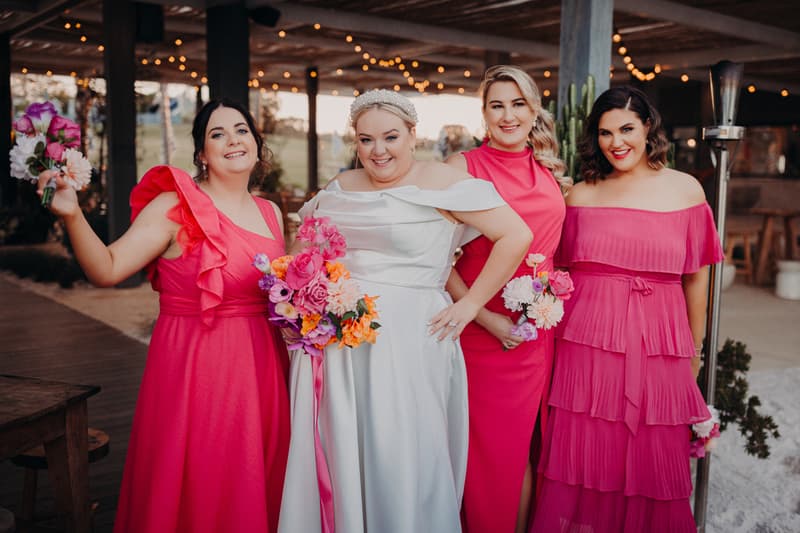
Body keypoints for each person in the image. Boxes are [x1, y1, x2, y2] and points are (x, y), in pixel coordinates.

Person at [278, 89, 533, 533]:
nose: (378, 151)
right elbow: (304, 252)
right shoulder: (339, 187)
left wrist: (471, 304)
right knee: (346, 448)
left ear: (413, 135)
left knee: (404, 447)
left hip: (413, 339)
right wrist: (299, 305)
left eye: (390, 137)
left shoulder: (444, 183)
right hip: (341, 346)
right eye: (365, 140)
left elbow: (516, 235)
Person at [37, 99, 291, 533]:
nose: (233, 139)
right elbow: (108, 268)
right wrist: (73, 213)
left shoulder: (271, 212)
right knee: (202, 477)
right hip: (199, 370)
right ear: (201, 155)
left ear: (257, 143)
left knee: (257, 475)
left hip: (264, 368)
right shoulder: (175, 207)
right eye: (217, 133)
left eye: (242, 130)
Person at [530, 86, 723, 533]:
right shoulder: (580, 195)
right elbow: (554, 271)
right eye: (605, 132)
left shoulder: (686, 190)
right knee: (584, 451)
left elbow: (697, 276)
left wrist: (693, 348)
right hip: (585, 343)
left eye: (627, 129)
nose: (616, 142)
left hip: (660, 343)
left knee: (654, 451)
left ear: (648, 127)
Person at [444, 65, 568, 533]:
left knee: (523, 448)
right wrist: (481, 316)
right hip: (480, 332)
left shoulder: (549, 169)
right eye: (497, 105)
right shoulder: (463, 167)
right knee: (484, 451)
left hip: (536, 333)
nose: (508, 114)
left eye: (518, 103)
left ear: (534, 109)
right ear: (484, 113)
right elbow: (437, 258)